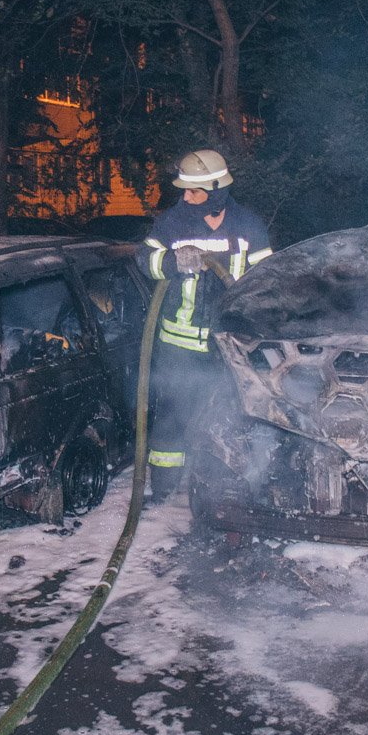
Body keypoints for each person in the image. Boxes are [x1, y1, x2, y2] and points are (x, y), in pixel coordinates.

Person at [139, 149, 272, 503]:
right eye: (184, 191)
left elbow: (267, 280)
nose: (185, 197)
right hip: (179, 344)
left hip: (231, 343)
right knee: (171, 416)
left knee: (232, 415)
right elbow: (144, 260)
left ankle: (224, 488)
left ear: (215, 192)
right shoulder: (172, 224)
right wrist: (170, 260)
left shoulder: (249, 227)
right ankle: (163, 488)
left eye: (193, 191)